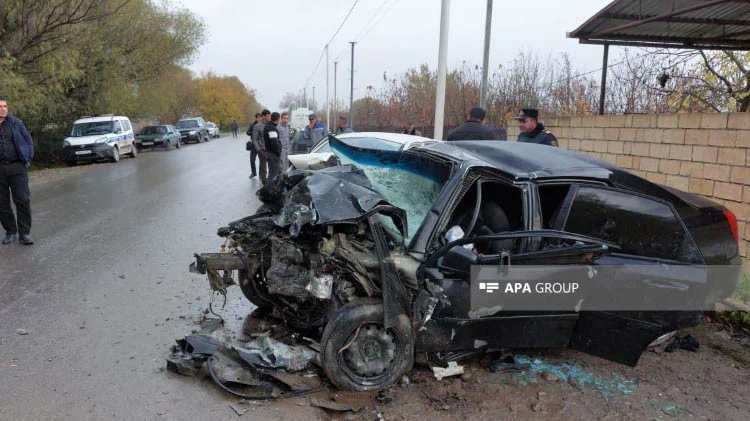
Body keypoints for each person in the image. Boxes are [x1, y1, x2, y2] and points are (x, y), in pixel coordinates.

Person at [0, 96, 34, 245]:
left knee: (23, 199)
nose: (3, 109)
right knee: (2, 203)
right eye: (0, 107)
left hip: (17, 166)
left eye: (5, 106)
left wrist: (28, 157)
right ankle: (10, 232)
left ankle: (24, 233)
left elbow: (28, 140)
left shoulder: (15, 123)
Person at [252, 110, 271, 184]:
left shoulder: (271, 125)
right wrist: (259, 150)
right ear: (263, 116)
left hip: (271, 149)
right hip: (262, 149)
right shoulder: (257, 126)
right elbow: (254, 139)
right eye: (268, 116)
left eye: (270, 116)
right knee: (263, 168)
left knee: (273, 167)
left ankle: (272, 181)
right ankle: (264, 183)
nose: (269, 117)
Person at [263, 112, 282, 184]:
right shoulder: (271, 128)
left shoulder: (269, 126)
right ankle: (269, 191)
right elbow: (274, 143)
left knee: (276, 173)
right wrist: (278, 152)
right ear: (278, 119)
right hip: (273, 154)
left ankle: (275, 189)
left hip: (270, 153)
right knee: (272, 175)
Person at [246, 113, 261, 179]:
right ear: (255, 118)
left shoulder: (263, 125)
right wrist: (253, 133)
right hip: (253, 145)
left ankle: (261, 174)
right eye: (257, 118)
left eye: (259, 118)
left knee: (262, 161)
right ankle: (253, 172)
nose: (258, 119)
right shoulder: (252, 125)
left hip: (261, 145)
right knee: (252, 160)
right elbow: (247, 132)